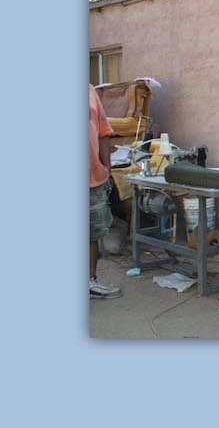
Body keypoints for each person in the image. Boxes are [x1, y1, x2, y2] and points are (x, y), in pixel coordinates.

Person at [89, 83, 123, 299]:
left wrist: (106, 168)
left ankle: (89, 281)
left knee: (91, 233)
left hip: (91, 177)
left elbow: (103, 131)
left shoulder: (89, 90)